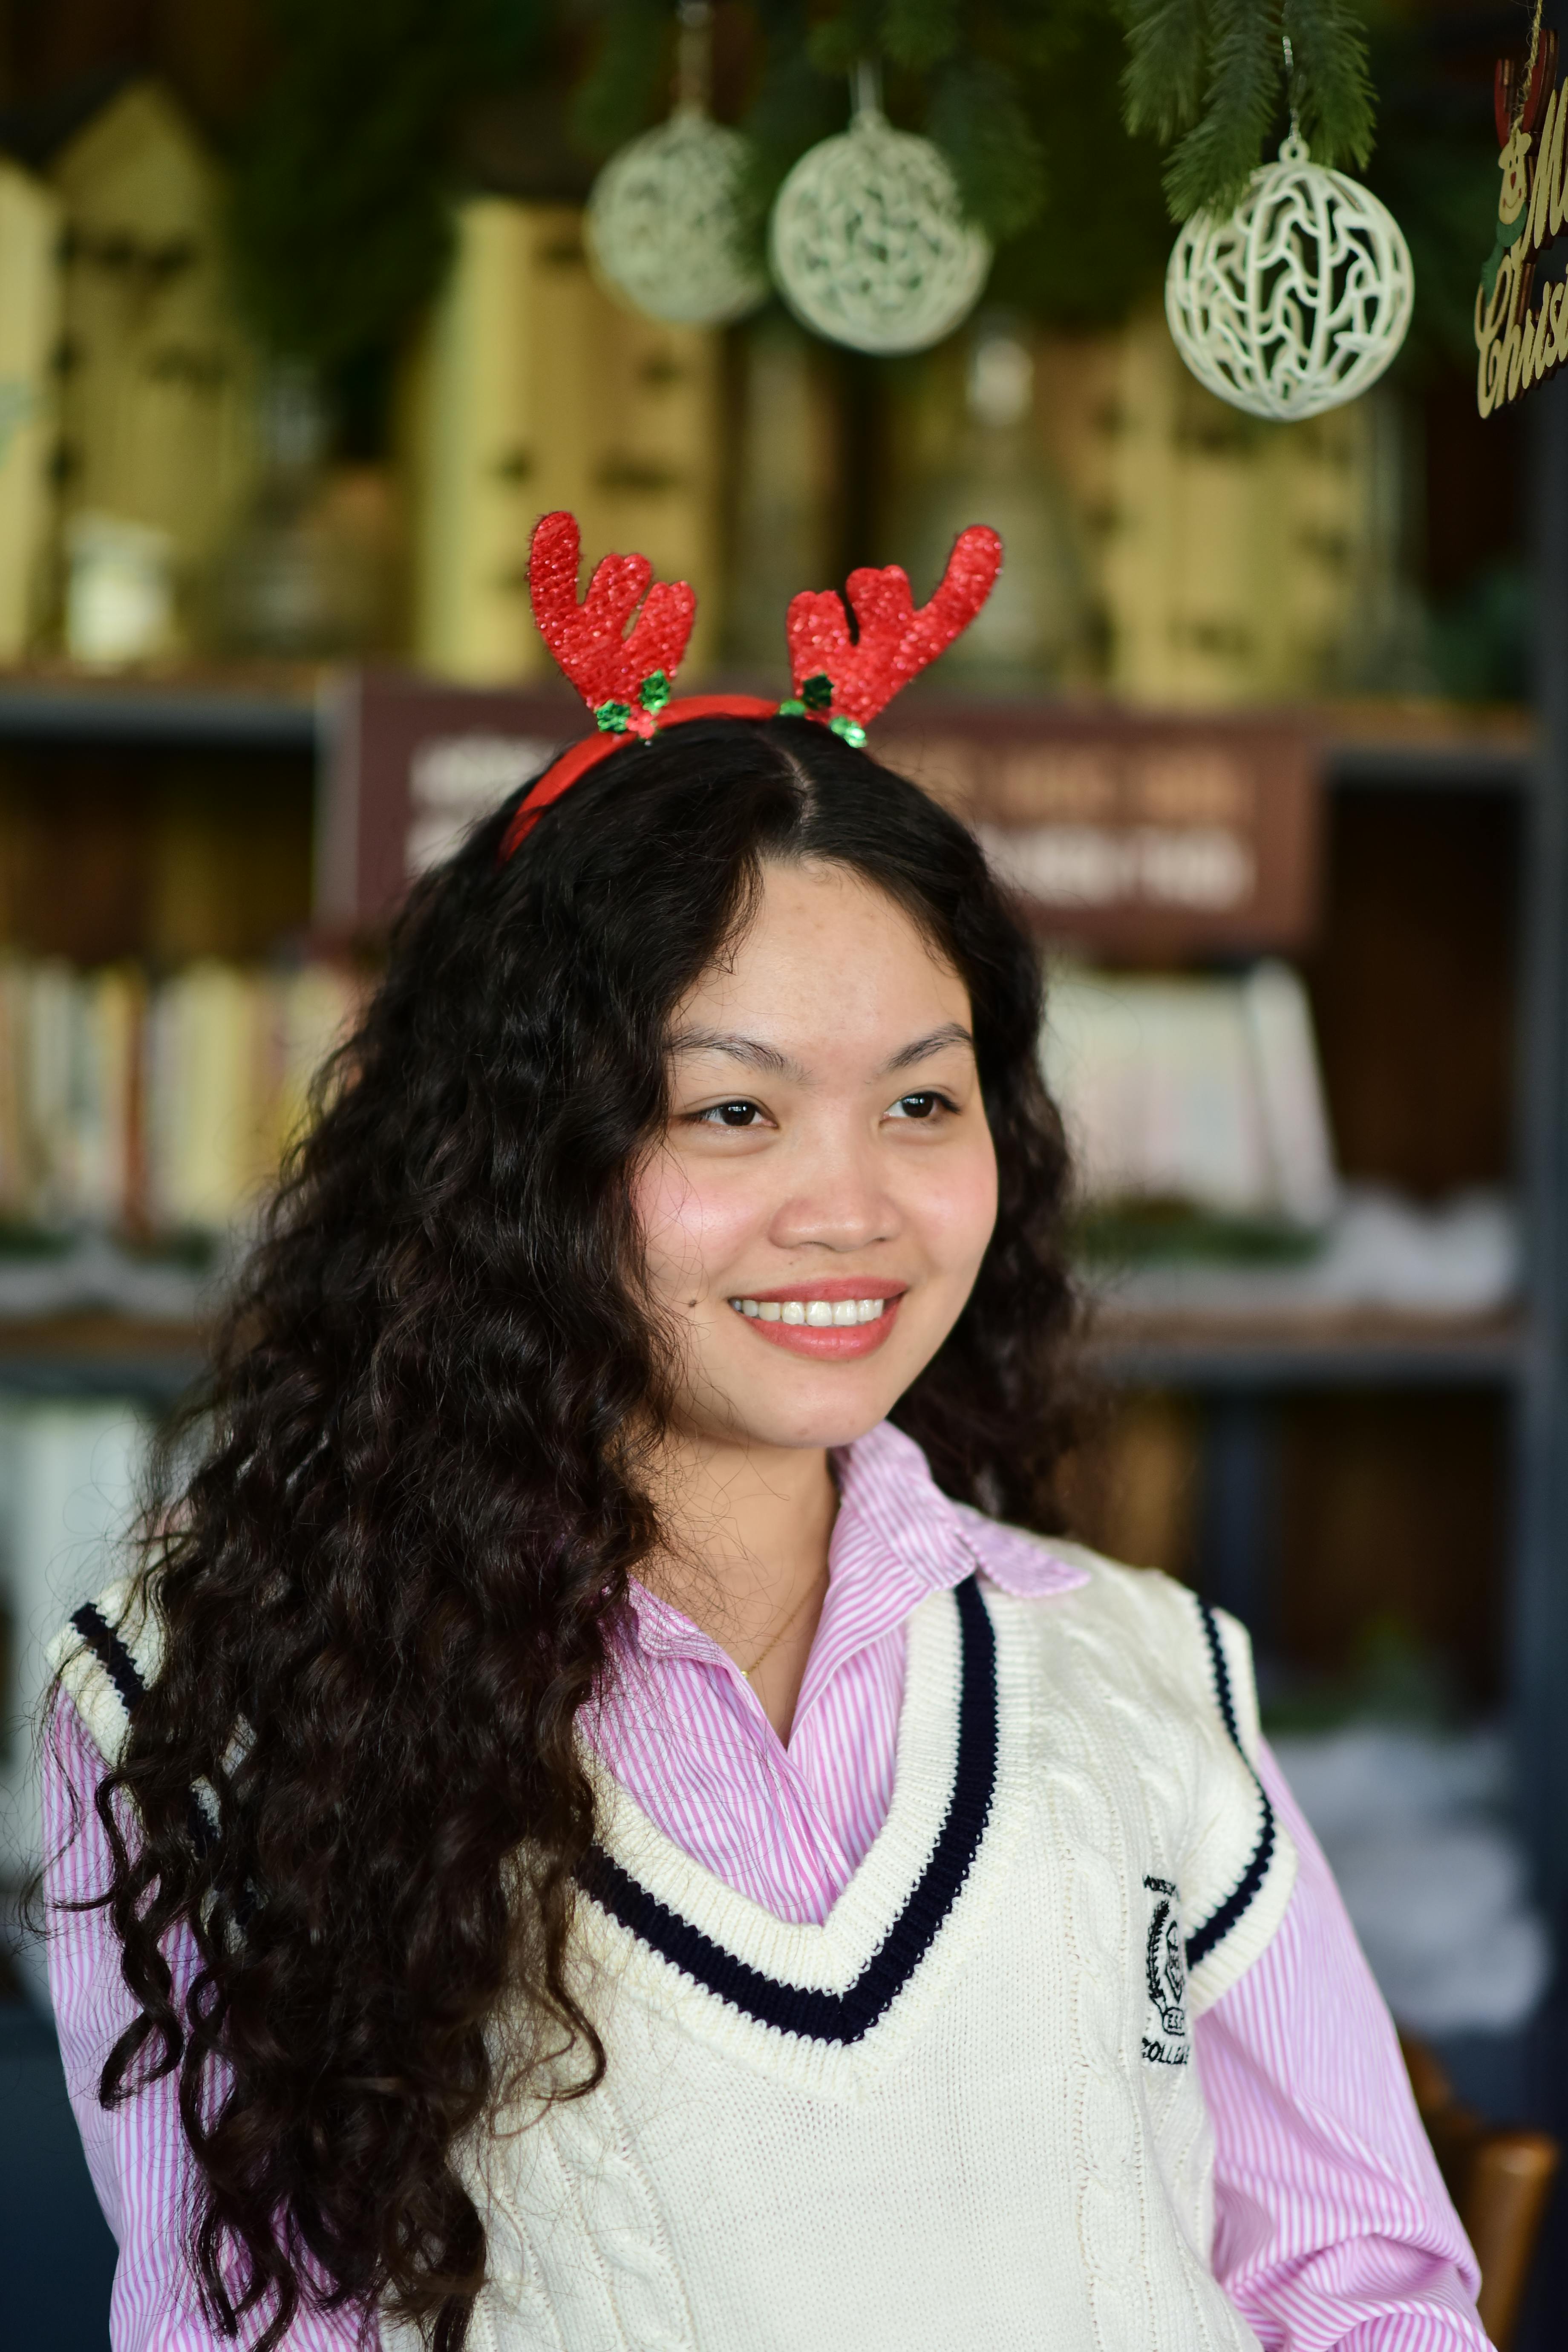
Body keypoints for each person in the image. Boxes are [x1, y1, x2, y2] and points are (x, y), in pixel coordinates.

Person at [39, 518, 1487, 2352]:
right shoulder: (207, 1716)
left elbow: (1366, 2290)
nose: (852, 1208)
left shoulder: (1145, 1678)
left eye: (923, 1102)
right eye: (731, 1111)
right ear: (511, 1158)